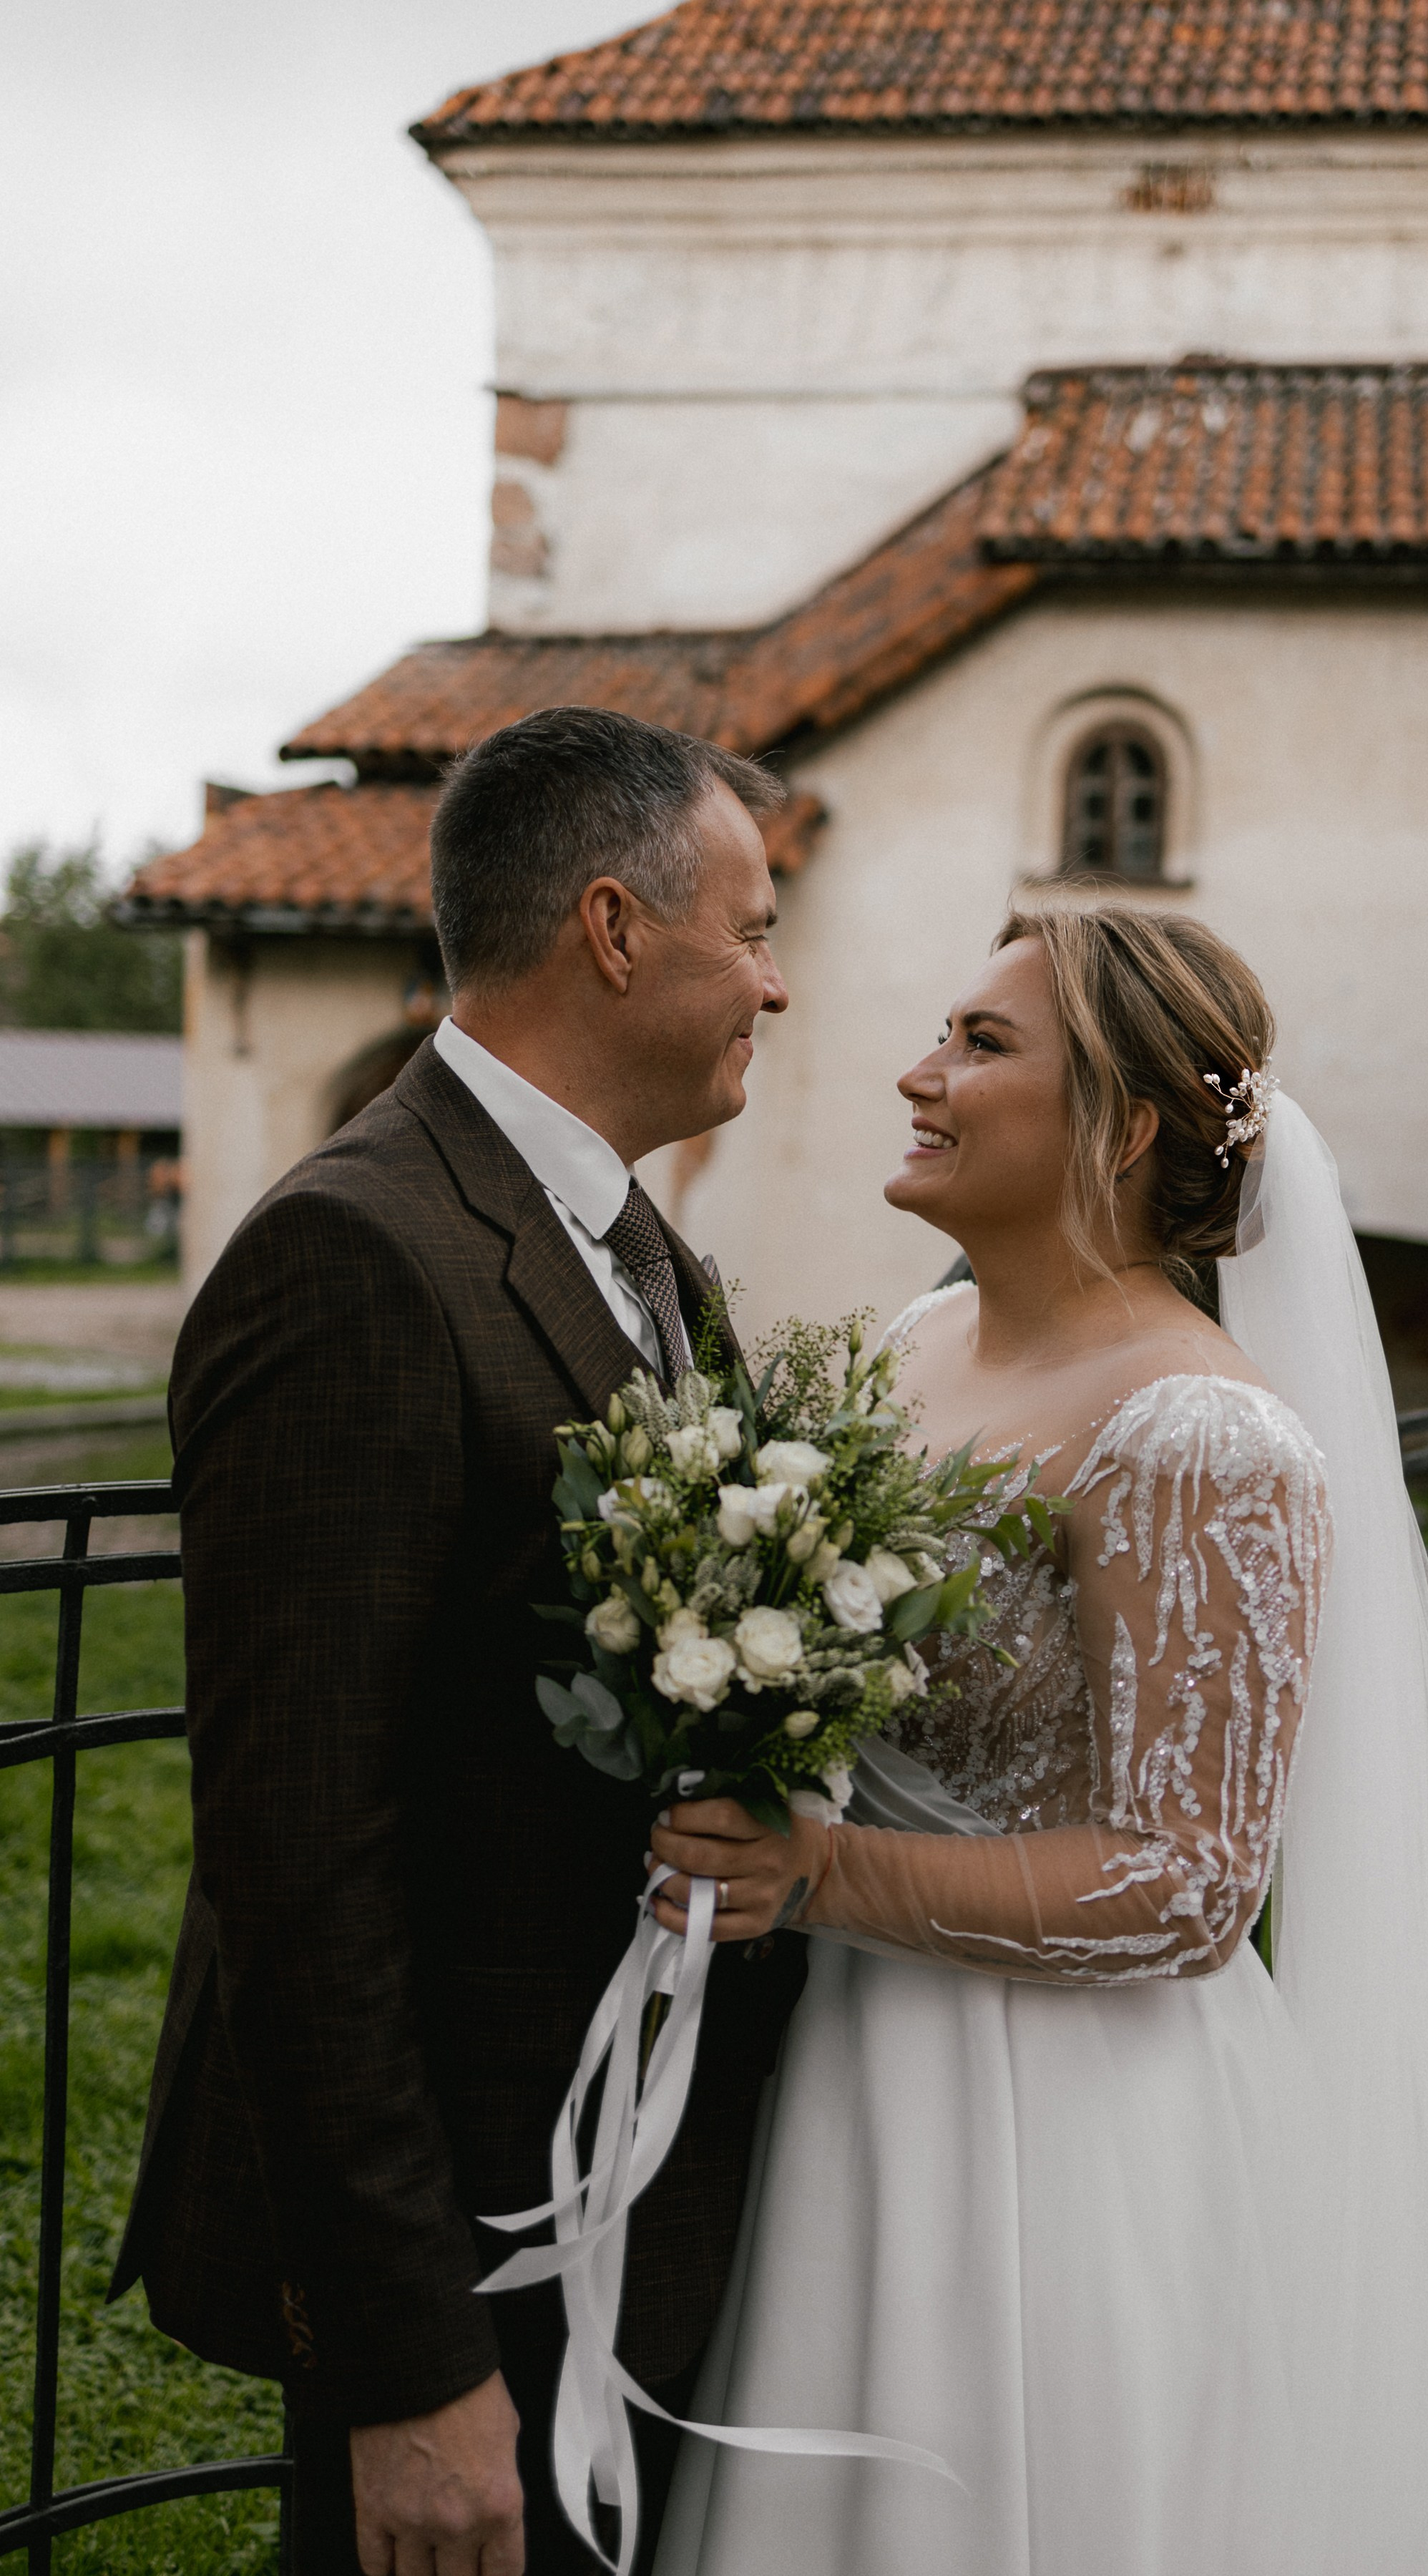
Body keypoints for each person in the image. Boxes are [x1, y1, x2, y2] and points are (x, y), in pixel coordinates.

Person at [642, 907, 1428, 2575]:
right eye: (942, 1033)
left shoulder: (1202, 1435)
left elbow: (1193, 1890)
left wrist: (822, 1870)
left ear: (1124, 1126)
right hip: (843, 2071)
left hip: (1052, 2132)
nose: (920, 1072)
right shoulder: (915, 1349)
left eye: (983, 1045)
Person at [109, 708, 809, 2576]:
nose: (779, 983)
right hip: (471, 2251)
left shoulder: (651, 1259)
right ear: (612, 927)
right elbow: (296, 1856)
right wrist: (407, 2373)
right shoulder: (354, 1258)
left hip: (632, 2209)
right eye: (753, 927)